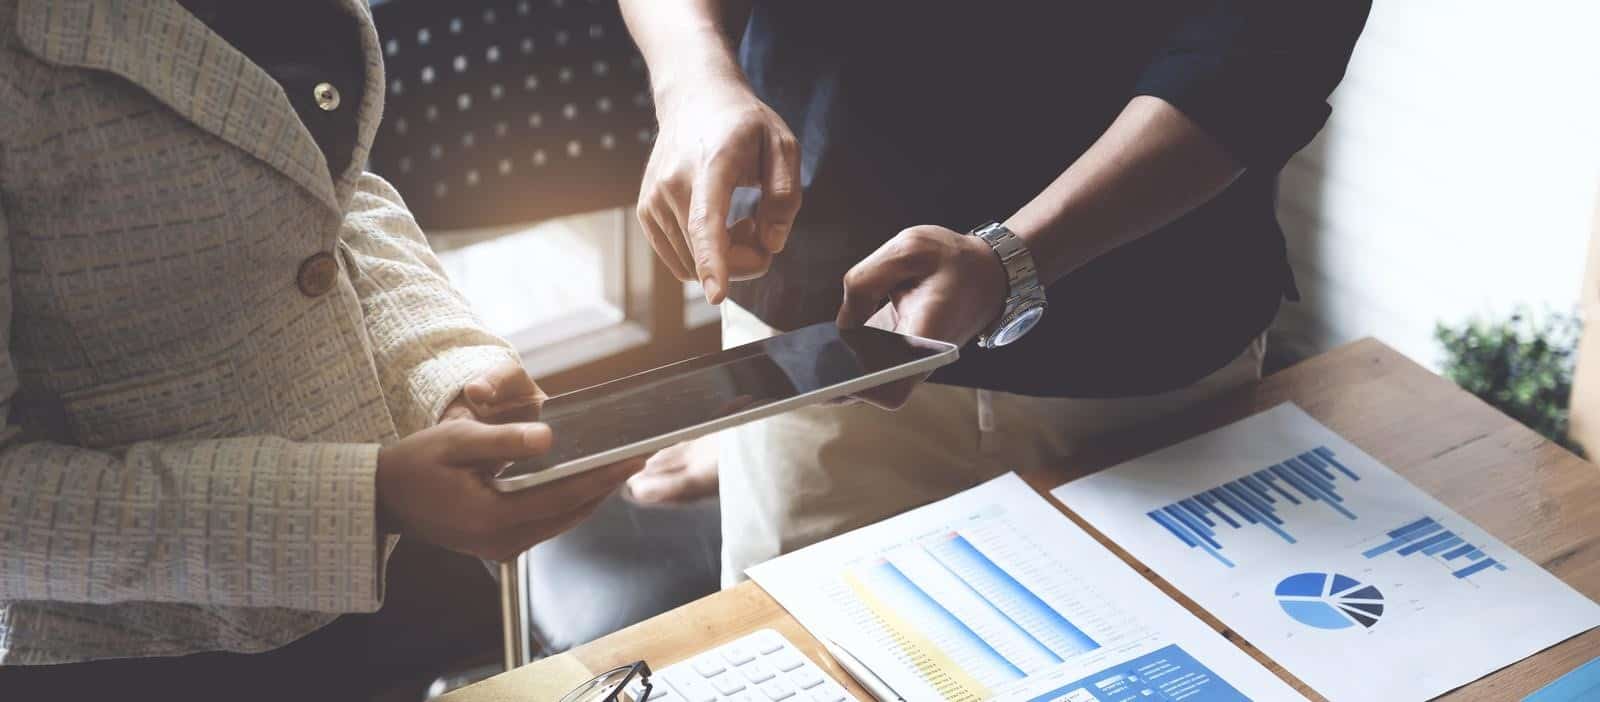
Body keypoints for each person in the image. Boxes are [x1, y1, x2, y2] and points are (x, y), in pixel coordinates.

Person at [0, 0, 641, 695]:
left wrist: (444, 372)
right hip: (139, 649)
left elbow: (325, 191)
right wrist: (359, 503)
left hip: (396, 568)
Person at [619, 1, 1372, 583]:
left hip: (1146, 368)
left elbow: (1274, 41)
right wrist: (693, 83)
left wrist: (1013, 258)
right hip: (824, 346)